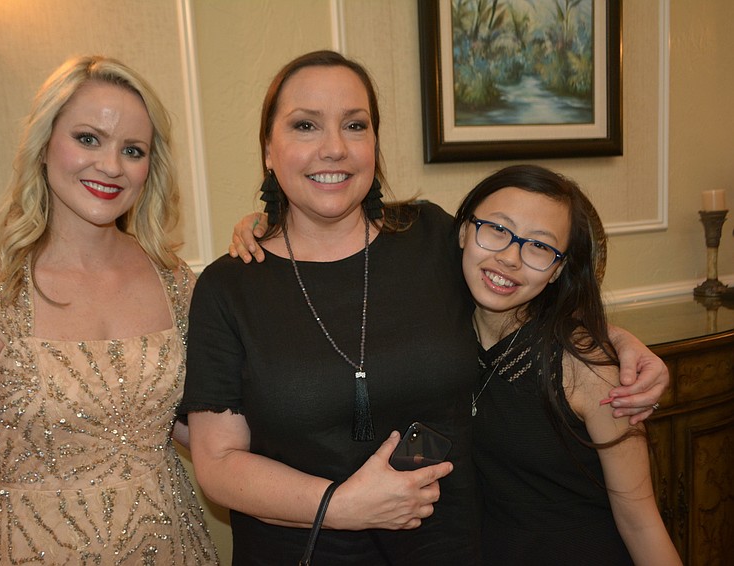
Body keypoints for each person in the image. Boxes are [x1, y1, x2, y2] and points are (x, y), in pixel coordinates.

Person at [182, 50, 667, 565]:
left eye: (355, 125)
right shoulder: (228, 287)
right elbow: (218, 463)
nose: (334, 148)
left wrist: (613, 341)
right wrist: (341, 505)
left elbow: (517, 296)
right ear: (268, 149)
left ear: (374, 144)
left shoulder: (430, 237)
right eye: (305, 125)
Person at [0, 55, 219, 565]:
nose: (111, 166)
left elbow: (203, 429)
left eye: (133, 150)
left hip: (174, 548)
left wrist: (274, 243)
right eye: (88, 139)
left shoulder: (176, 282)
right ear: (44, 144)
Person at [454, 164, 680, 565]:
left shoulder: (587, 368)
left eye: (539, 247)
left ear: (558, 269)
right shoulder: (442, 336)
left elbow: (641, 523)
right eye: (497, 229)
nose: (509, 258)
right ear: (463, 231)